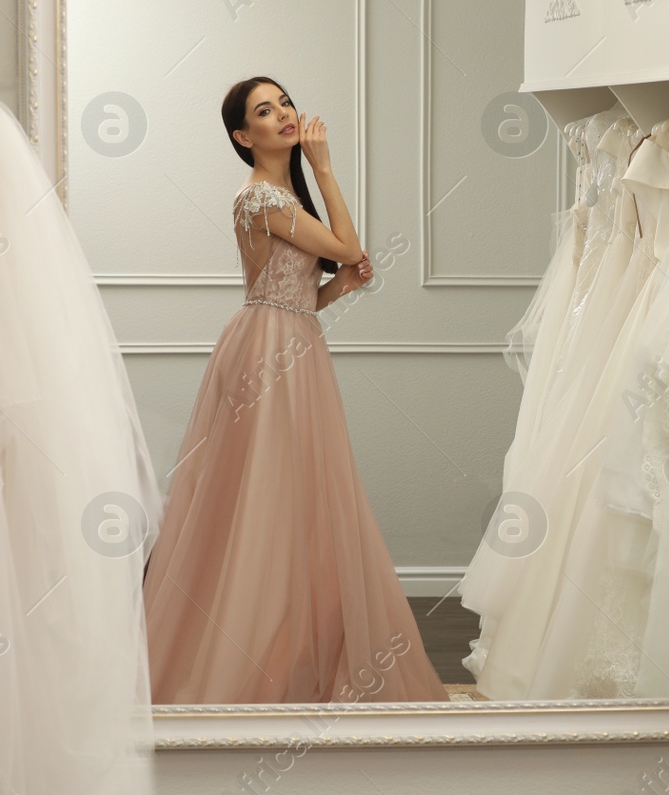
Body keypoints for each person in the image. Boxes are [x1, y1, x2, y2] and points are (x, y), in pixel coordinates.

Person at [142, 76, 445, 703]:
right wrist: (325, 167)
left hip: (291, 343)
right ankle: (246, 661)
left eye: (284, 102)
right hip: (269, 356)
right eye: (263, 110)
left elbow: (304, 294)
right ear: (241, 135)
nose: (282, 114)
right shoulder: (260, 199)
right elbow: (346, 246)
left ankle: (288, 652)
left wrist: (341, 289)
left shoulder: (280, 196)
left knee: (293, 496)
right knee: (263, 498)